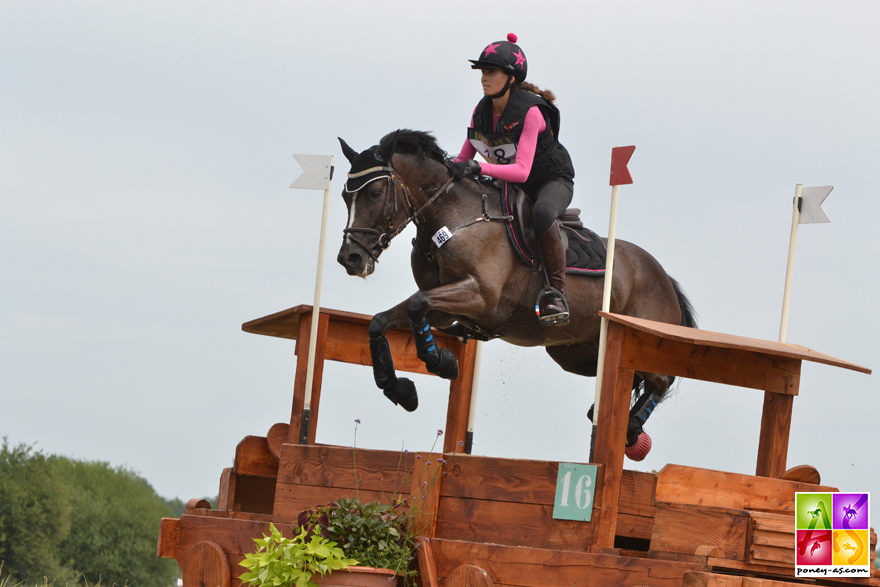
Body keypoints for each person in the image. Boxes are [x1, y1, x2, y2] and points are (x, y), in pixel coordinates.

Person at [449, 33, 576, 325]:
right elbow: (463, 158)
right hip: (511, 183)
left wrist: (479, 169)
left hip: (551, 181)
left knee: (543, 213)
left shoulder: (531, 113)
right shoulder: (480, 112)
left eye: (491, 71)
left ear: (510, 77)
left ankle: (556, 293)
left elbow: (521, 171)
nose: (484, 78)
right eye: (482, 71)